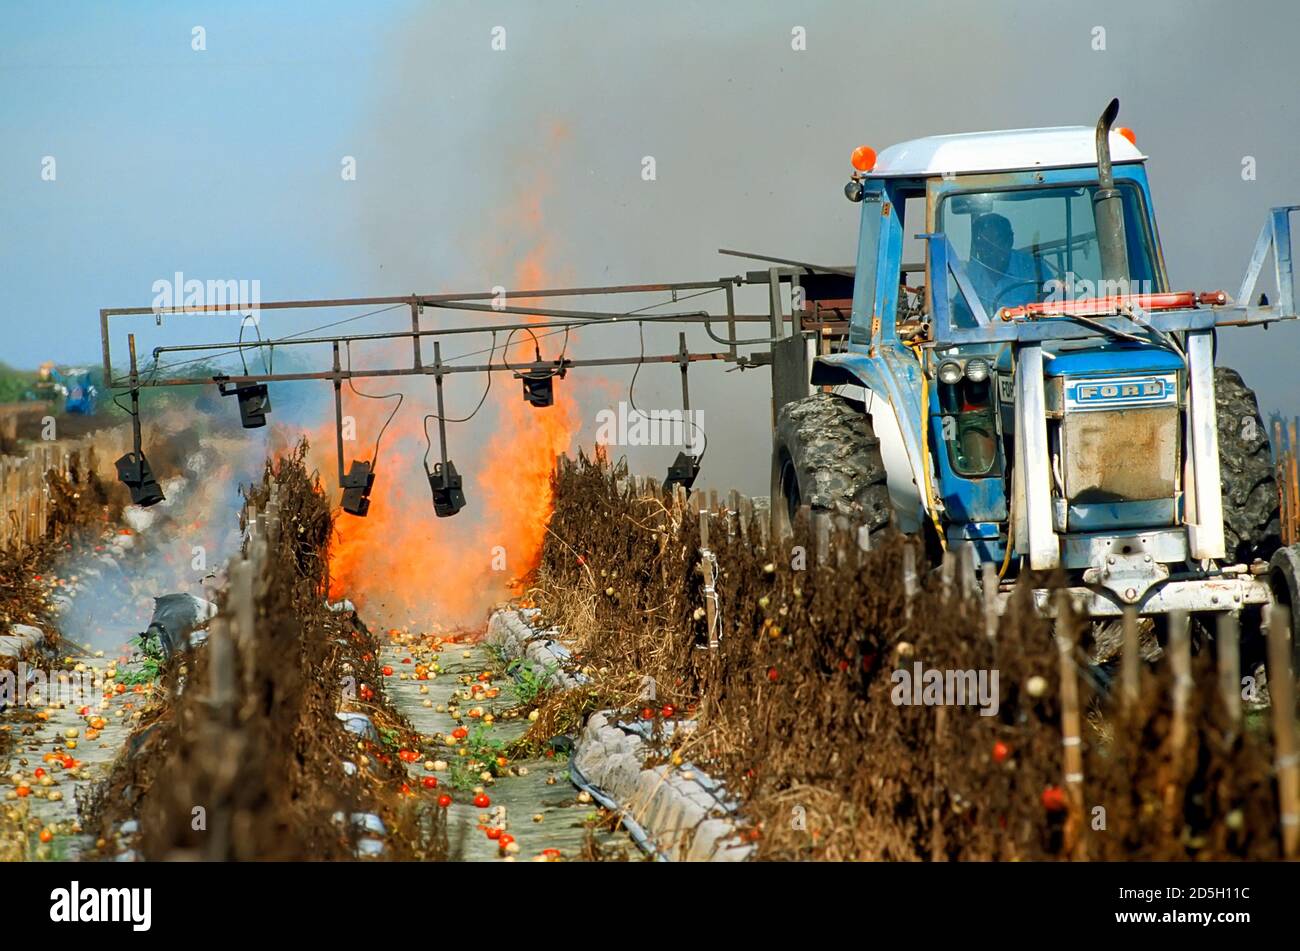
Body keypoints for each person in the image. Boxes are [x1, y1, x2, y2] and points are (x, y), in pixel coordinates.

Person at [965, 212, 1039, 316]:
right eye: (982, 245)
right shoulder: (972, 272)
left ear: (1009, 241)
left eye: (993, 244)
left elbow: (1052, 302)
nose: (988, 252)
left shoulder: (1033, 268)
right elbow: (960, 310)